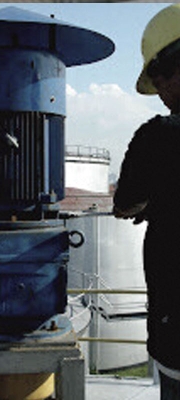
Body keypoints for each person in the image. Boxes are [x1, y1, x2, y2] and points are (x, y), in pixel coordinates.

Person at [113, 4, 180, 399]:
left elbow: (125, 204)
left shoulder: (156, 138)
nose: (160, 90)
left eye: (159, 76)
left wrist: (151, 206)